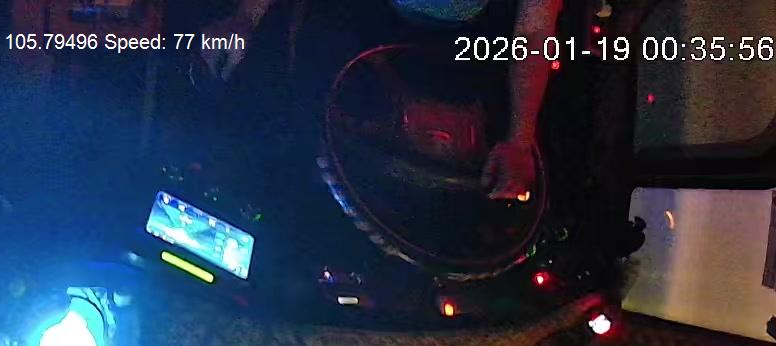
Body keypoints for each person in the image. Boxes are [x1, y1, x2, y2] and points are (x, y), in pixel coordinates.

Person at [200, 0, 563, 201]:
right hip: (357, 20)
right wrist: (245, 18)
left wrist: (520, 139)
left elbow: (534, 32)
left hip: (454, 48)